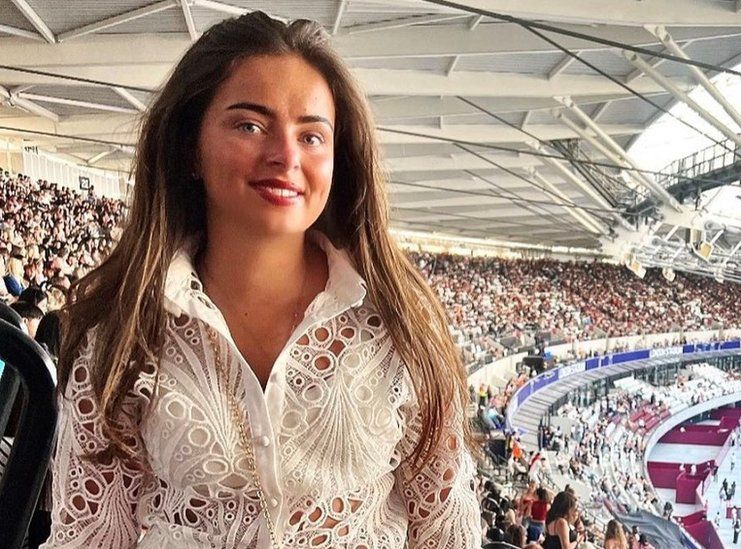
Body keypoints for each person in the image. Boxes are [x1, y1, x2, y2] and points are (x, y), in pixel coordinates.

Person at [42, 12, 480, 549]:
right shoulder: (125, 324)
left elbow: (446, 529)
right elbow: (90, 536)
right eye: (249, 125)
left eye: (312, 135)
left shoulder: (398, 323)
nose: (286, 156)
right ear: (190, 147)